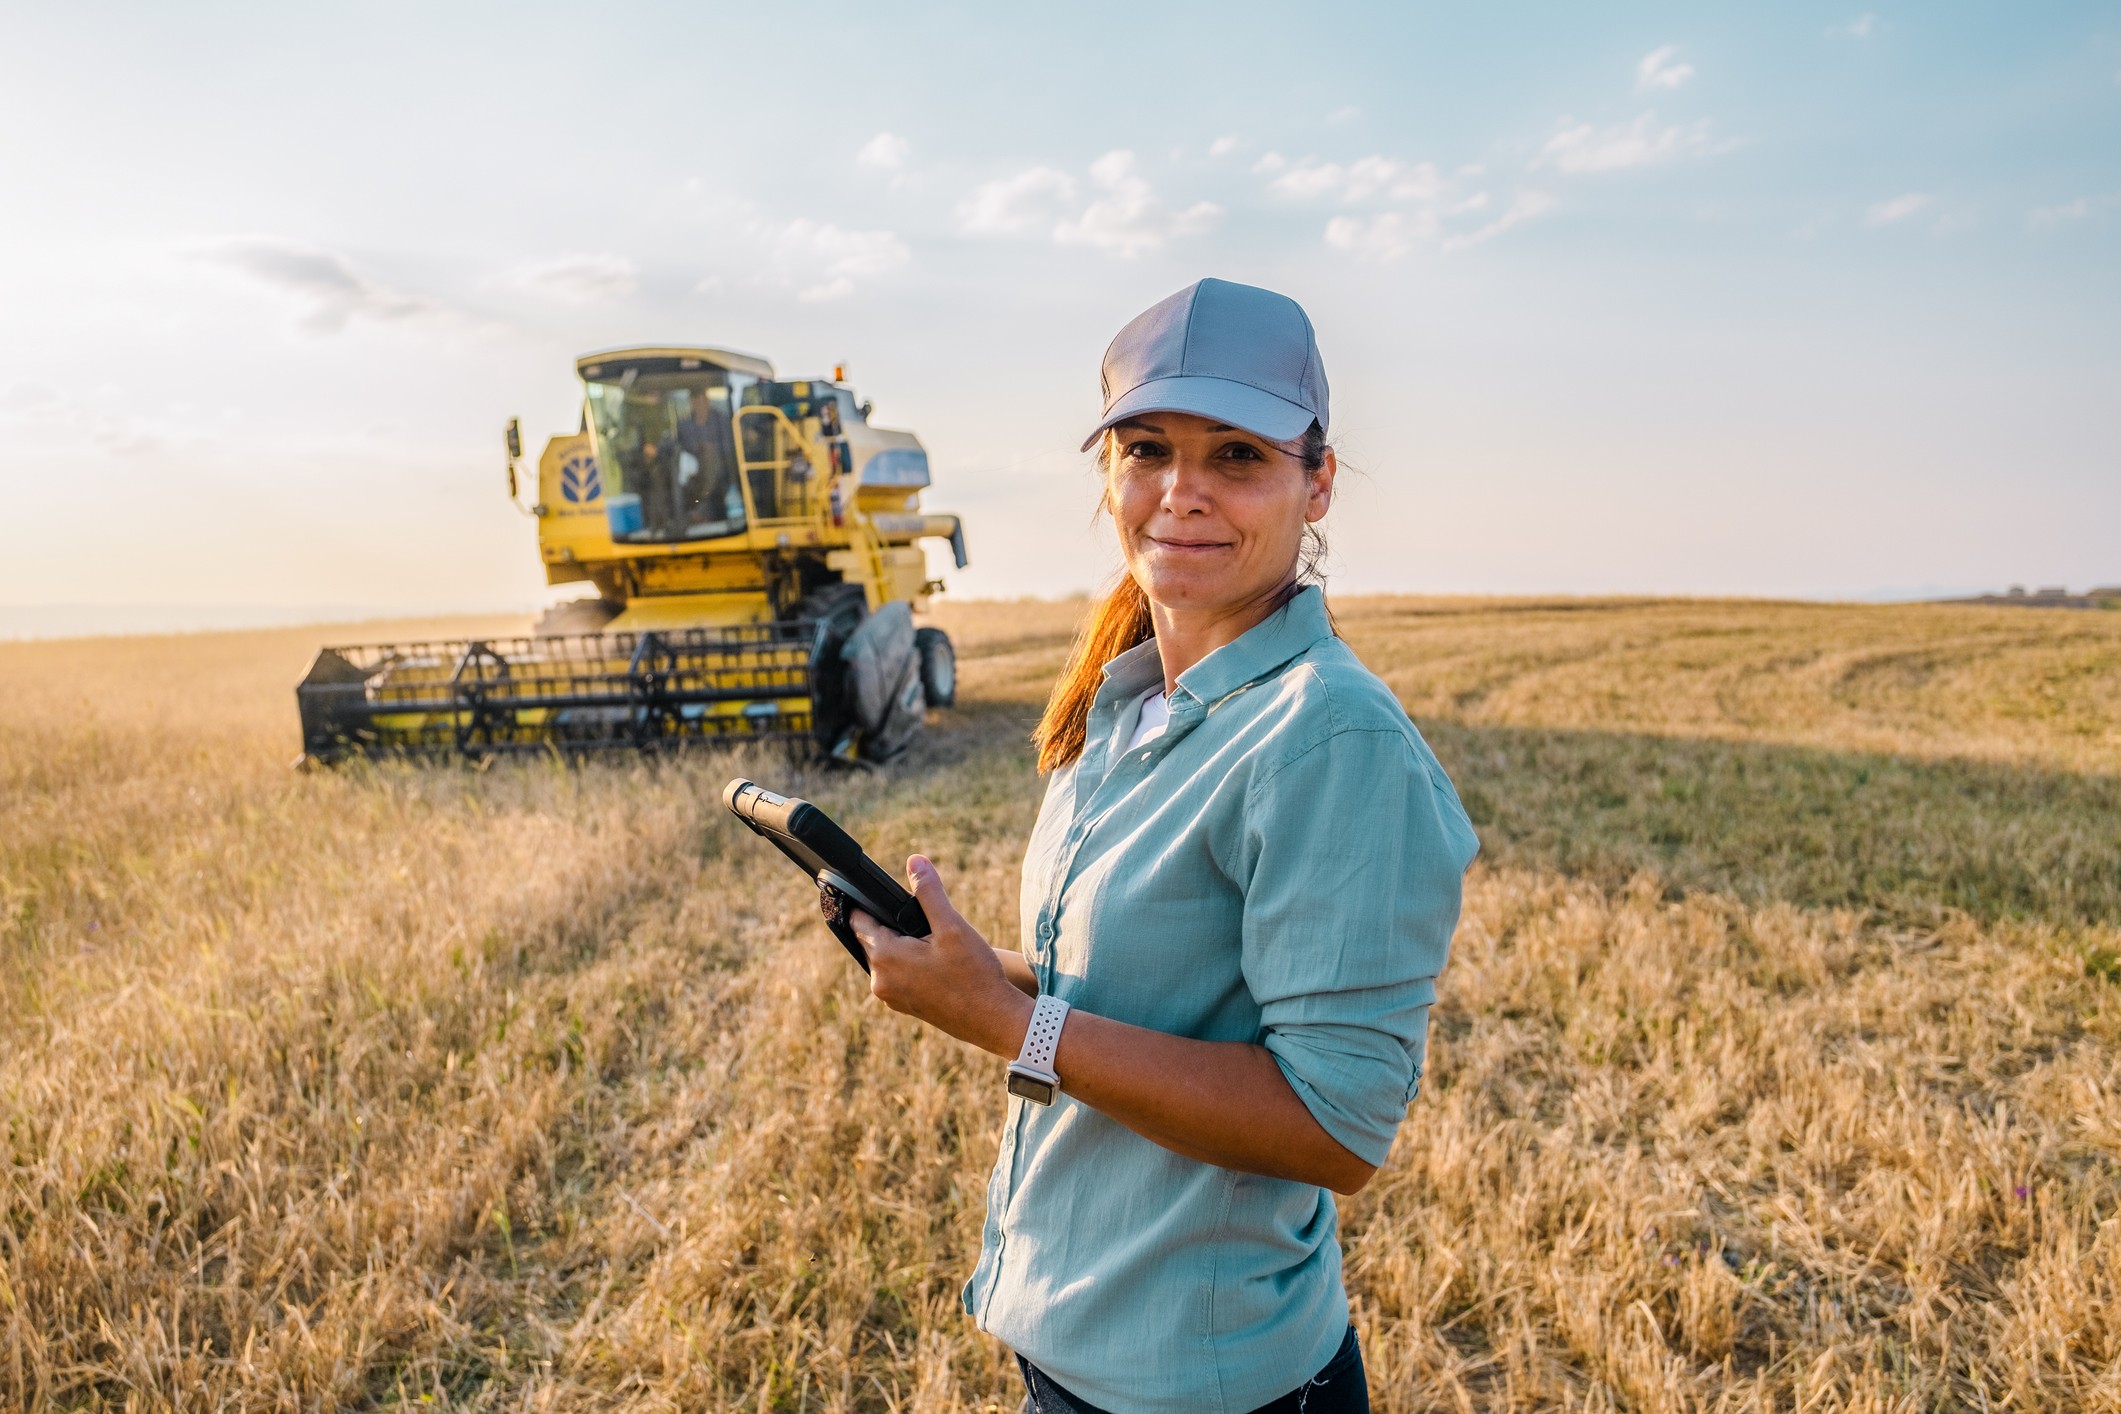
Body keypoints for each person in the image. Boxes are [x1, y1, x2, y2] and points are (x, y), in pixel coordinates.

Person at [850, 278, 1479, 1413]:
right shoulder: (1130, 699)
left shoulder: (1331, 736)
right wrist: (982, 974)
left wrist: (1013, 1023)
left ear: (1317, 479)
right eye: (1147, 448)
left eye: (1237, 454)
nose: (1182, 491)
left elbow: (1335, 1124)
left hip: (1209, 1385)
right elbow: (1155, 996)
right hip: (1078, 1345)